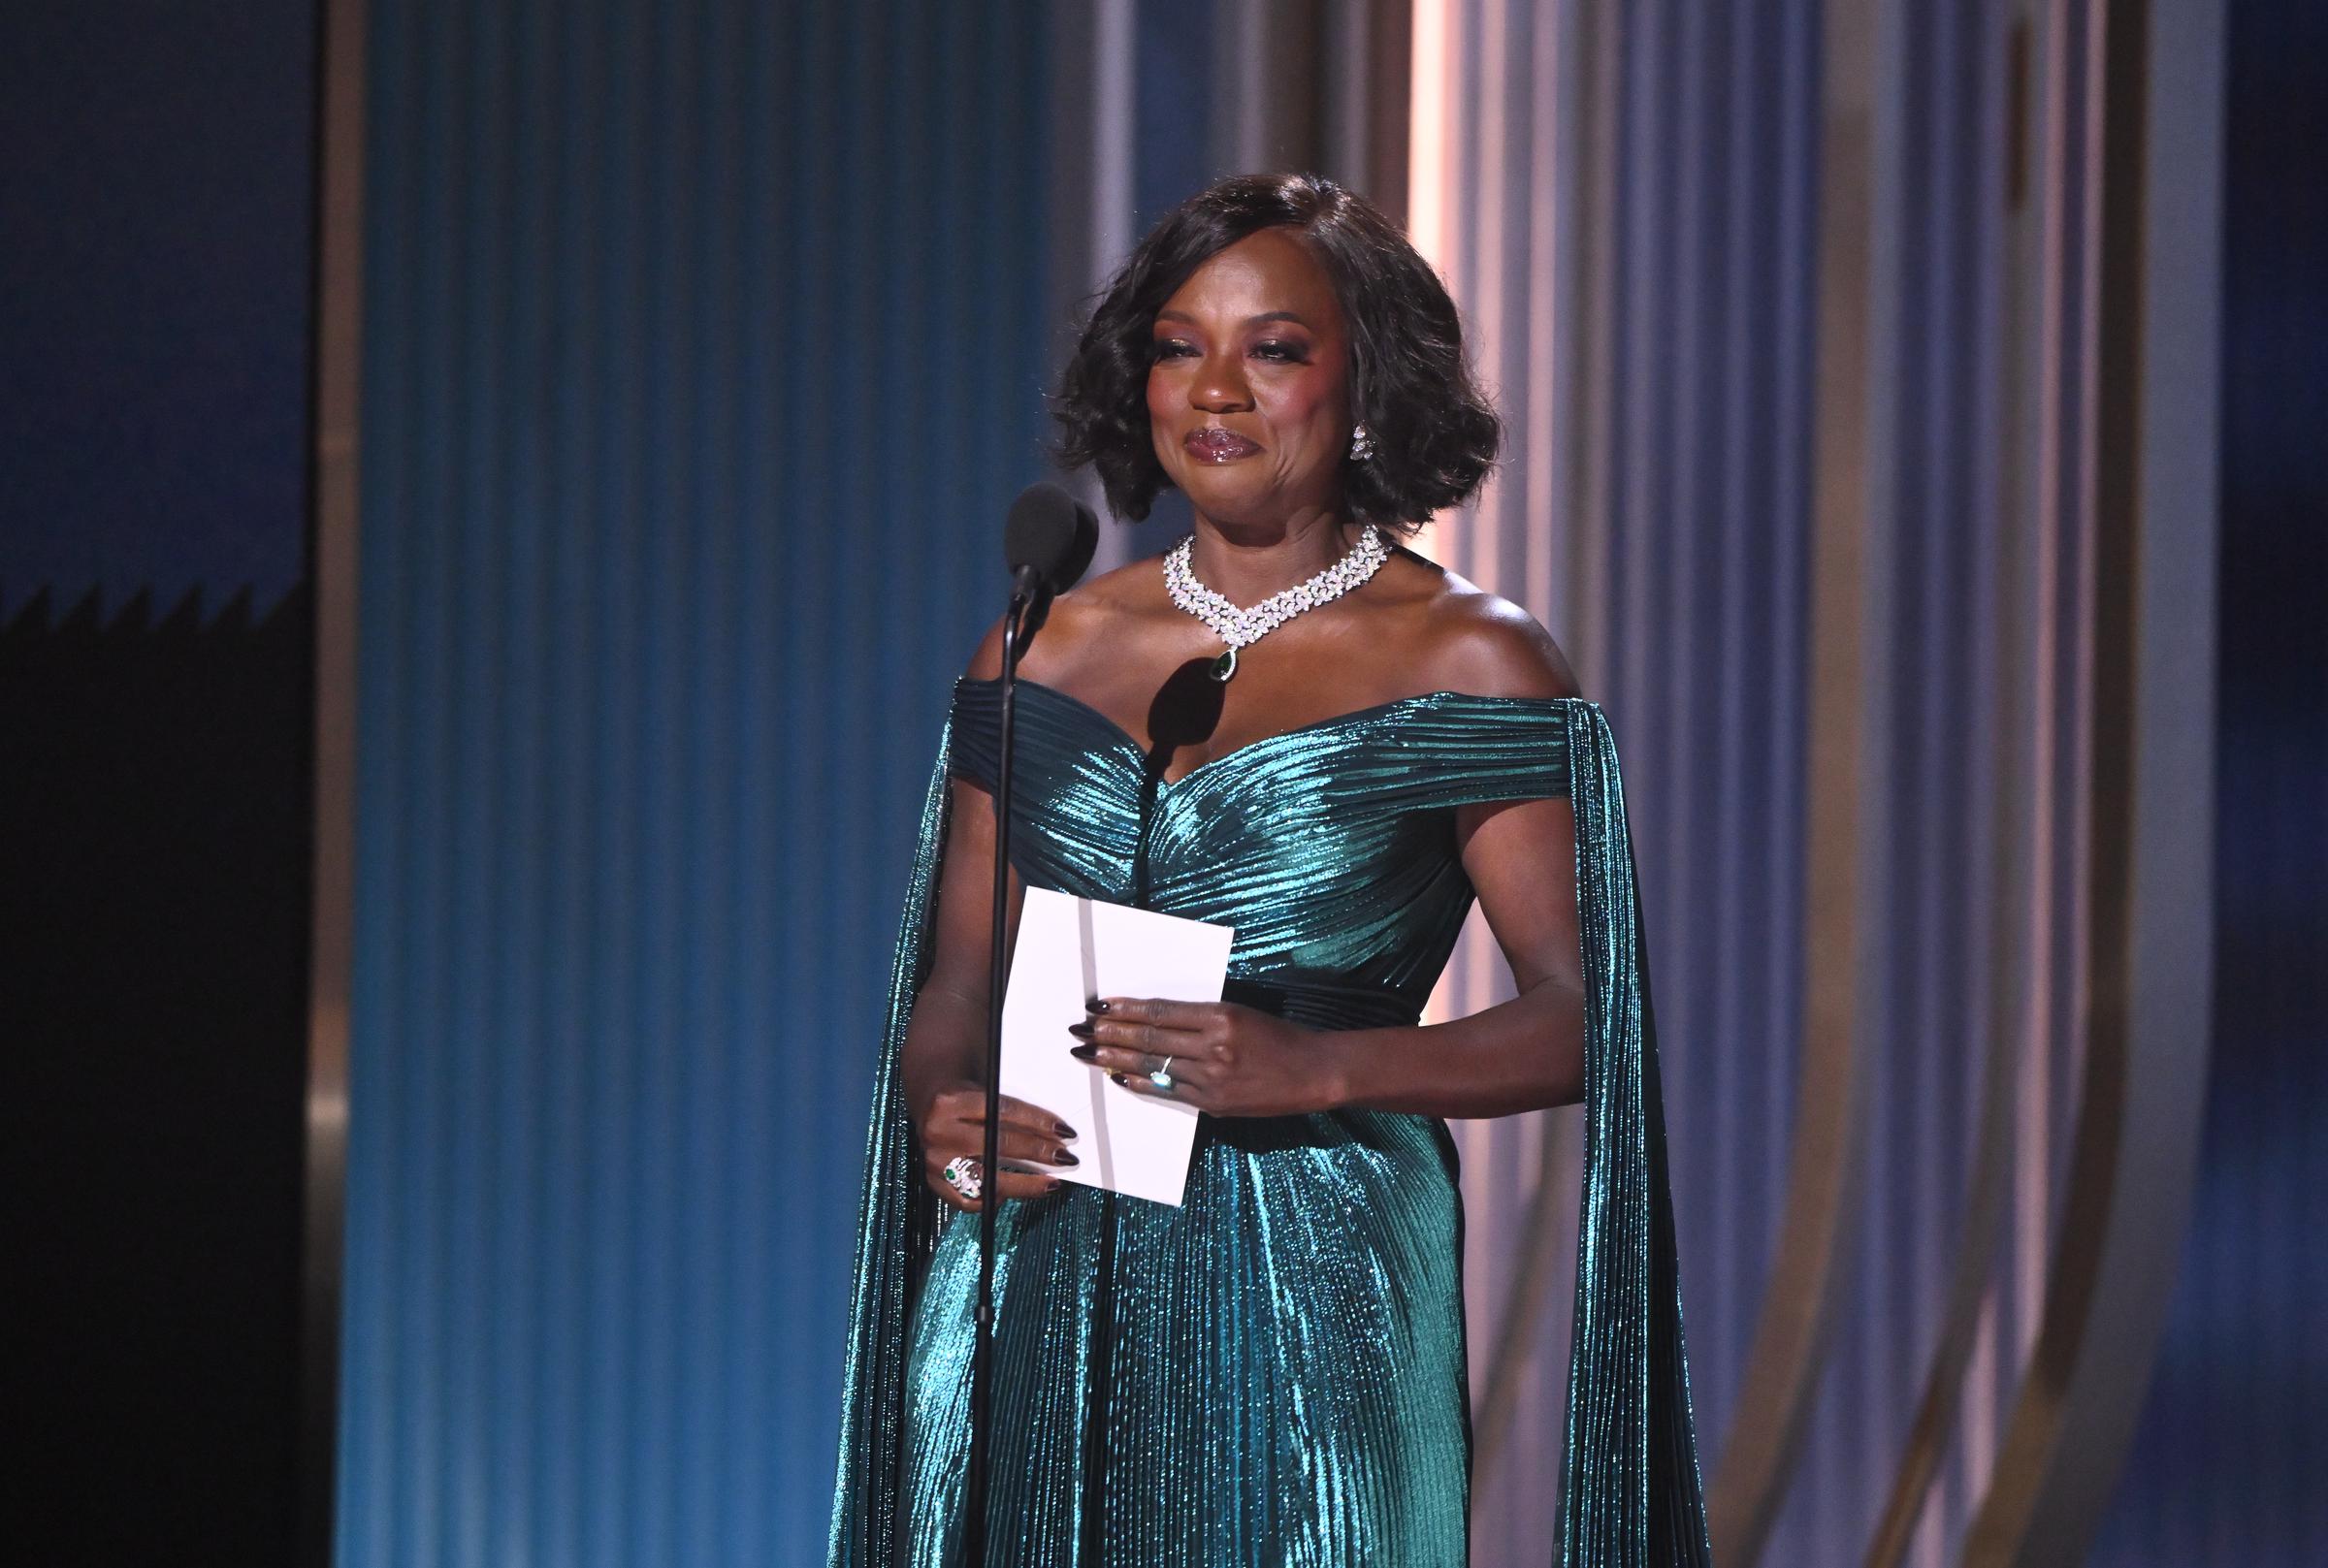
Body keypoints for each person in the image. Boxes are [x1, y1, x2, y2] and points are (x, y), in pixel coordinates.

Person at [829, 173, 1709, 1567]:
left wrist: (1320, 1067)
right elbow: (958, 978)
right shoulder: (1041, 647)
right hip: (1033, 1270)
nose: (1215, 390)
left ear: (1367, 384)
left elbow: (1583, 1018)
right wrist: (946, 1107)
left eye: (1275, 348)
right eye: (1178, 347)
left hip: (1320, 1285)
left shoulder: (1470, 658)